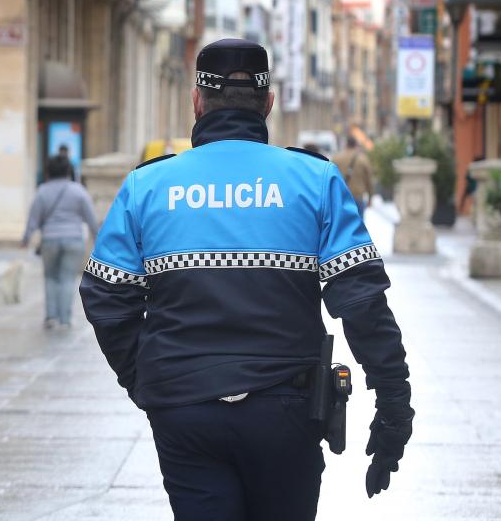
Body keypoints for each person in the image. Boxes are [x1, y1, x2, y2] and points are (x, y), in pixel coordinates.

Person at [80, 38, 414, 521]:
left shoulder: (146, 186)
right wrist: (394, 406)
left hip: (183, 409)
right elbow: (363, 303)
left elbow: (105, 296)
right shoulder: (315, 180)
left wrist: (150, 380)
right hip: (287, 410)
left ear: (196, 102)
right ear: (269, 104)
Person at [23, 154, 98, 329]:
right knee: (67, 278)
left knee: (50, 278)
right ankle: (65, 319)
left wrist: (26, 238)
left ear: (48, 172)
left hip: (49, 239)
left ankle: (50, 317)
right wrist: (98, 237)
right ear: (68, 171)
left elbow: (33, 218)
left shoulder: (42, 191)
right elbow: (91, 219)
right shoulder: (78, 191)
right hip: (73, 240)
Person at [332, 135, 375, 216]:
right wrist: (370, 197)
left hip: (341, 197)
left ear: (346, 145)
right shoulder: (363, 159)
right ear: (356, 145)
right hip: (357, 197)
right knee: (358, 224)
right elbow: (369, 180)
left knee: (342, 225)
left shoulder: (336, 158)